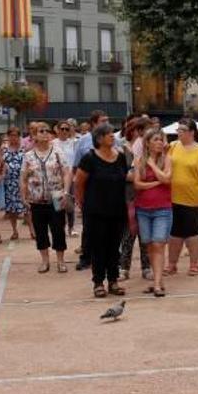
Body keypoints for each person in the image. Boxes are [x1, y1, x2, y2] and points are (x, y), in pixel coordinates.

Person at [76, 123, 129, 297]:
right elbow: (79, 182)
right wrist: (81, 202)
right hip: (96, 210)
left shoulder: (120, 157)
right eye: (109, 134)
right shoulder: (89, 158)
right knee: (98, 247)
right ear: (99, 138)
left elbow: (125, 178)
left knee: (114, 247)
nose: (113, 136)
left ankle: (113, 281)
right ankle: (98, 282)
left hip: (117, 209)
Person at [21, 122, 72, 274]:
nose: (45, 133)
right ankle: (45, 261)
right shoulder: (28, 156)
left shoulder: (57, 152)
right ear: (34, 135)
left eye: (47, 131)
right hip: (36, 199)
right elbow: (23, 178)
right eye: (41, 131)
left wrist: (66, 191)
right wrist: (23, 197)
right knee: (40, 230)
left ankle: (61, 261)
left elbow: (67, 172)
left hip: (56, 196)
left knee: (58, 228)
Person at [165, 118, 198, 276]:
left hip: (193, 198)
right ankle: (172, 264)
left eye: (183, 130)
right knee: (174, 233)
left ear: (192, 132)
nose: (179, 132)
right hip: (172, 198)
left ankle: (194, 263)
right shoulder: (172, 147)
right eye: (178, 130)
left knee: (192, 231)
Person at [133, 129, 172, 297]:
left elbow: (167, 179)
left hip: (162, 209)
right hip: (143, 209)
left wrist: (153, 165)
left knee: (158, 244)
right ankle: (158, 280)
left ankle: (156, 284)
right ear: (147, 142)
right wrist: (156, 183)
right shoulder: (139, 160)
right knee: (149, 245)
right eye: (156, 139)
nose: (159, 143)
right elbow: (137, 184)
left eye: (161, 140)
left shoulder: (168, 159)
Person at [74, 110, 110, 271]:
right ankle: (85, 257)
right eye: (103, 121)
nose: (106, 123)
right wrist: (78, 197)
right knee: (89, 226)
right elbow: (76, 166)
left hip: (108, 189)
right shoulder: (82, 141)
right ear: (94, 123)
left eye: (107, 121)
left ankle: (106, 256)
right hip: (90, 188)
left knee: (108, 226)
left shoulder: (112, 140)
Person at [119, 117, 152, 281]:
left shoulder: (148, 150)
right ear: (136, 131)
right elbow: (120, 174)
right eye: (145, 130)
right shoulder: (121, 150)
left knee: (145, 233)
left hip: (145, 196)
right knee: (128, 233)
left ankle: (147, 267)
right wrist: (137, 176)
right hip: (129, 197)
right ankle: (124, 267)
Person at [0, 127, 34, 240]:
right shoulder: (4, 149)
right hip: (9, 182)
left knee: (26, 207)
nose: (13, 138)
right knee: (11, 209)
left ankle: (32, 230)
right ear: (8, 136)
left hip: (22, 181)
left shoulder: (24, 149)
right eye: (11, 135)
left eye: (16, 135)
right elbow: (0, 163)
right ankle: (14, 231)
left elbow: (29, 164)